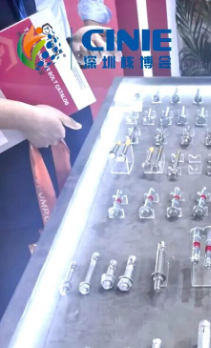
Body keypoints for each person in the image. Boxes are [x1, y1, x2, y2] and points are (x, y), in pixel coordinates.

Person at [0, 0, 114, 321]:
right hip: (11, 158)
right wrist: (22, 117)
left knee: (87, 219)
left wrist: (90, 29)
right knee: (22, 285)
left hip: (64, 104)